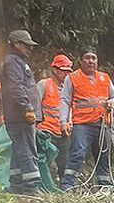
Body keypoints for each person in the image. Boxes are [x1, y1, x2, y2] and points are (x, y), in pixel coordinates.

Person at [58, 48, 114, 190]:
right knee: (77, 154)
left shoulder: (105, 78)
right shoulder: (72, 78)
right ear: (80, 60)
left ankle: (105, 188)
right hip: (82, 125)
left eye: (94, 58)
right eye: (87, 58)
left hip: (102, 124)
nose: (91, 61)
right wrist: (63, 121)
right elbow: (65, 101)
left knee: (103, 158)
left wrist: (111, 103)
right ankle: (67, 186)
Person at [0, 29, 41, 194]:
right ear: (16, 44)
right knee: (26, 148)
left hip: (19, 115)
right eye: (26, 45)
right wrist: (28, 108)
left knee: (19, 149)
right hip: (20, 115)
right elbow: (15, 87)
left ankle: (16, 184)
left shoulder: (17, 61)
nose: (30, 48)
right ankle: (31, 186)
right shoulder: (13, 62)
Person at [37, 54, 73, 184]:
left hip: (63, 132)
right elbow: (36, 106)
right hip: (46, 132)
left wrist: (69, 124)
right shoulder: (44, 85)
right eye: (63, 70)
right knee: (46, 162)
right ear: (56, 70)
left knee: (65, 163)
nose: (66, 74)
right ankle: (45, 187)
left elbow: (70, 109)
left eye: (68, 71)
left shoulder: (68, 89)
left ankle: (64, 188)